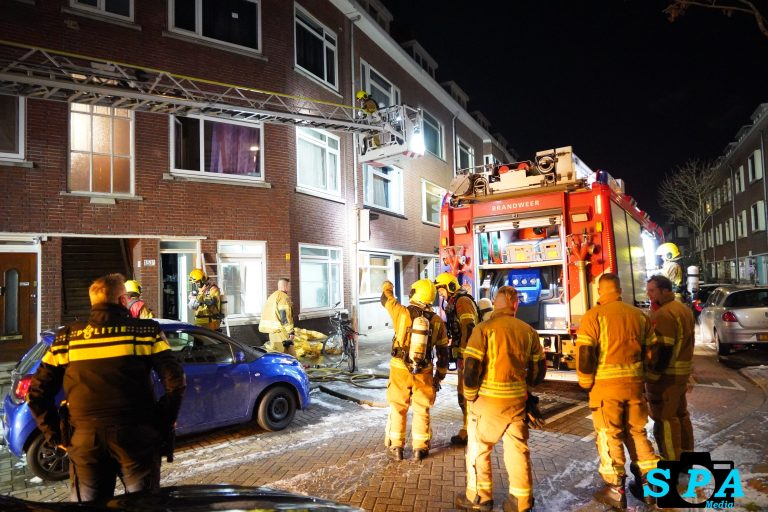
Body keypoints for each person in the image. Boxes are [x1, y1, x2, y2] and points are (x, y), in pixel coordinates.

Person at [27, 273, 186, 502]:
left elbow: (37, 393)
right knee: (142, 505)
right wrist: (163, 420)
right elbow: (175, 379)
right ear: (122, 300)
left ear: (93, 302)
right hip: (136, 437)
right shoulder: (145, 332)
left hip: (84, 440)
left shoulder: (67, 339)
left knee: (89, 505)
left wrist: (56, 435)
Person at [455, 286, 546, 512]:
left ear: (495, 304)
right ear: (515, 305)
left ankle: (480, 498)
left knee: (479, 449)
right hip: (517, 403)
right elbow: (538, 372)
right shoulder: (528, 331)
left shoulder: (483, 329)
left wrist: (470, 397)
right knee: (518, 451)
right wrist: (526, 388)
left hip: (488, 403)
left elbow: (471, 368)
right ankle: (521, 502)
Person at [576, 273, 659, 510]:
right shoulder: (638, 315)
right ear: (620, 290)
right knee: (637, 432)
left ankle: (615, 489)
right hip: (634, 386)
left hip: (605, 389)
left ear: (599, 290)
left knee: (609, 434)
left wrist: (585, 382)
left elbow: (585, 354)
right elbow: (652, 352)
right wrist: (644, 376)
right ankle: (651, 488)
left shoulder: (593, 316)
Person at [381, 278, 449, 461]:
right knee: (421, 409)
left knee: (398, 407)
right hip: (424, 372)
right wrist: (439, 376)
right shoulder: (437, 321)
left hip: (399, 369)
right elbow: (443, 353)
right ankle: (420, 448)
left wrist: (387, 286)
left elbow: (385, 299)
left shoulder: (402, 313)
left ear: (414, 293)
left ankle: (397, 447)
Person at [645, 275, 695, 463]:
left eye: (652, 290)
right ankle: (687, 457)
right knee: (681, 415)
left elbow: (663, 350)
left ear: (665, 291)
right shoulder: (683, 309)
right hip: (681, 374)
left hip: (667, 377)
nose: (648, 294)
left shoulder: (664, 314)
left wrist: (653, 375)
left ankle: (671, 462)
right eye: (648, 290)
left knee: (666, 419)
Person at [434, 272, 479, 446]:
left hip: (468, 356)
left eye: (442, 290)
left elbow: (469, 328)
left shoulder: (463, 302)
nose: (441, 294)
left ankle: (470, 431)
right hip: (464, 355)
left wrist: (465, 354)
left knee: (466, 394)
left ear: (451, 287)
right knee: (463, 394)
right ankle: (469, 428)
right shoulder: (455, 302)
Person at [259, 278, 297, 357]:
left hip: (272, 331)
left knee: (279, 353)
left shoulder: (272, 296)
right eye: (288, 286)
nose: (289, 288)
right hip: (281, 331)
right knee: (286, 355)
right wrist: (290, 331)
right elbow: (284, 315)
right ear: (285, 286)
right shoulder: (283, 297)